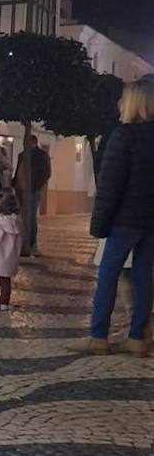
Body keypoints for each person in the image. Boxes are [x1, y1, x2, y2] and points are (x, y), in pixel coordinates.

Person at [86, 76, 154, 355]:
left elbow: (110, 185)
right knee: (142, 274)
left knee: (108, 273)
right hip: (151, 221)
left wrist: (98, 225)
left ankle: (98, 336)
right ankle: (138, 337)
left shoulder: (124, 135)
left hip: (124, 219)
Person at [14, 134, 52, 253]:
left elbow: (46, 172)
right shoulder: (21, 155)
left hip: (33, 190)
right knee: (21, 216)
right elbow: (18, 171)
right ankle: (23, 242)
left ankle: (32, 243)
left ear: (33, 142)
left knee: (31, 217)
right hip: (20, 190)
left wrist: (35, 185)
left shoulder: (41, 155)